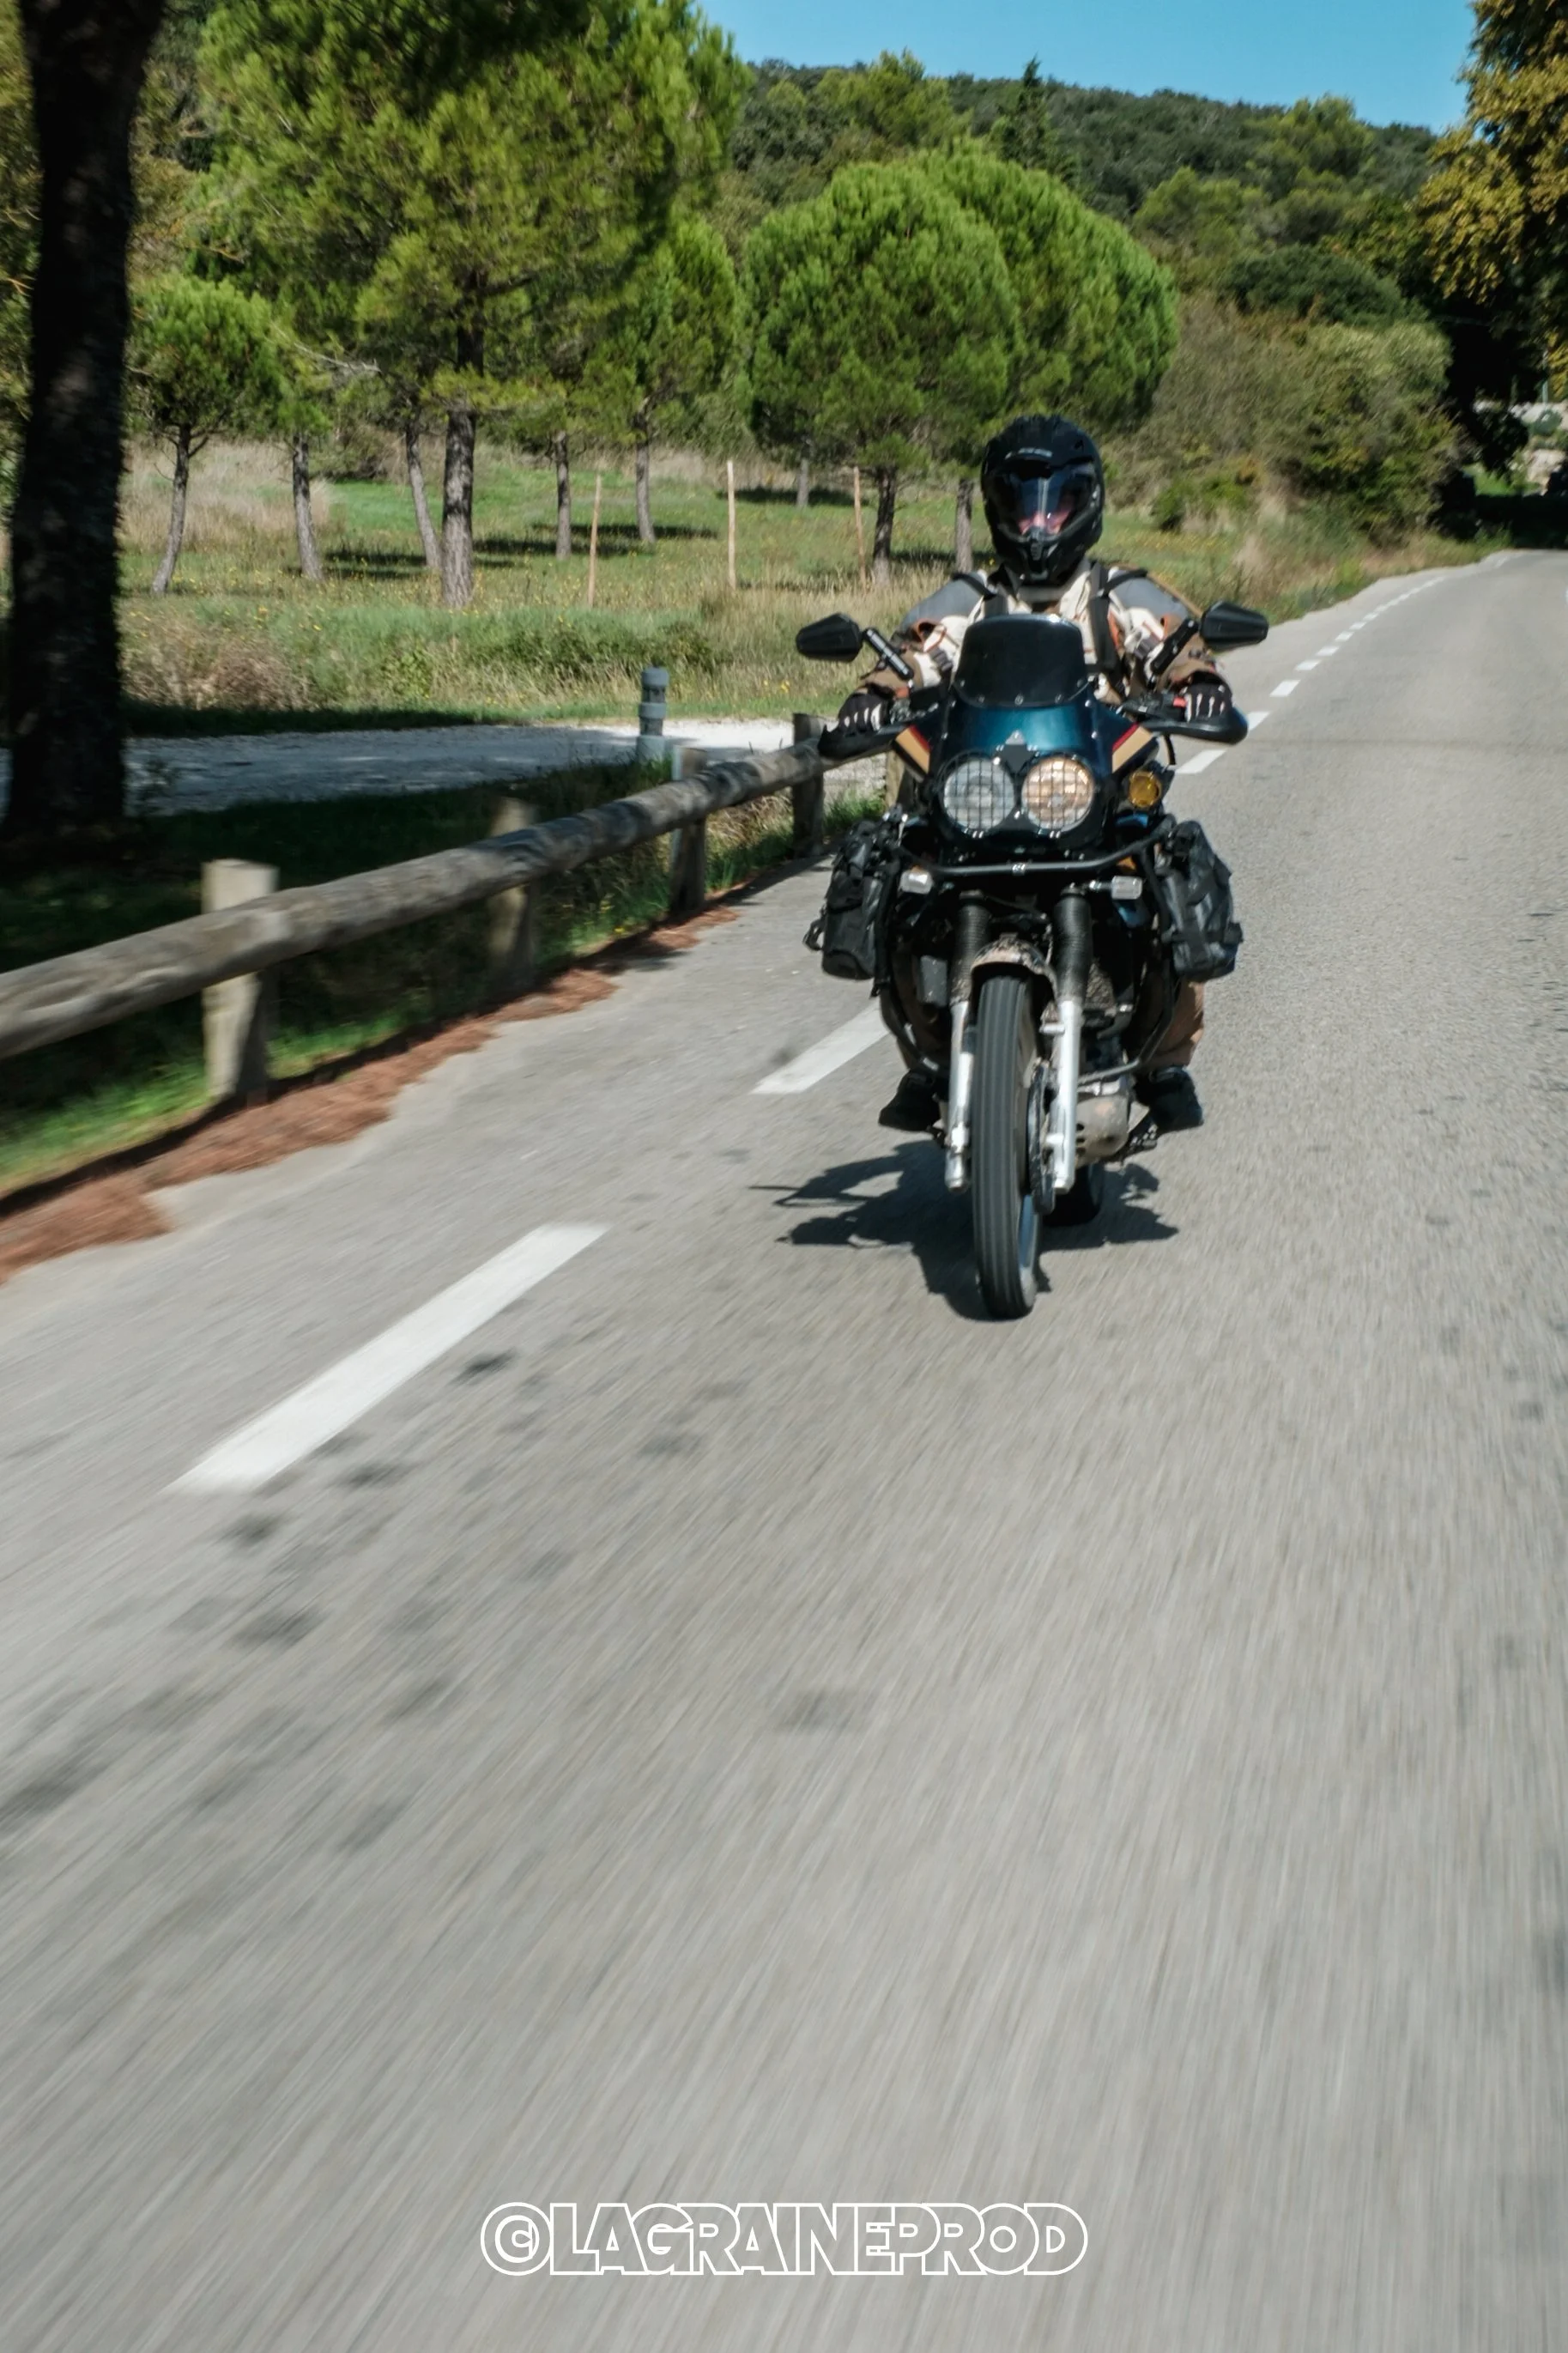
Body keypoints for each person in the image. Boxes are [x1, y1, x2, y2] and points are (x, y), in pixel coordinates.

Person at [838, 413, 1233, 1135]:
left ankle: (1165, 1057)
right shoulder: (968, 602)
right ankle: (927, 1059)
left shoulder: (1123, 599)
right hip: (979, 799)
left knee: (1174, 875)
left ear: (1085, 503)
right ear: (996, 507)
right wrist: (872, 697)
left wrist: (1197, 680)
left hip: (1092, 797)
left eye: (1054, 501)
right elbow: (910, 658)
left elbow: (1181, 648)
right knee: (895, 883)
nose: (1037, 519)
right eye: (1022, 502)